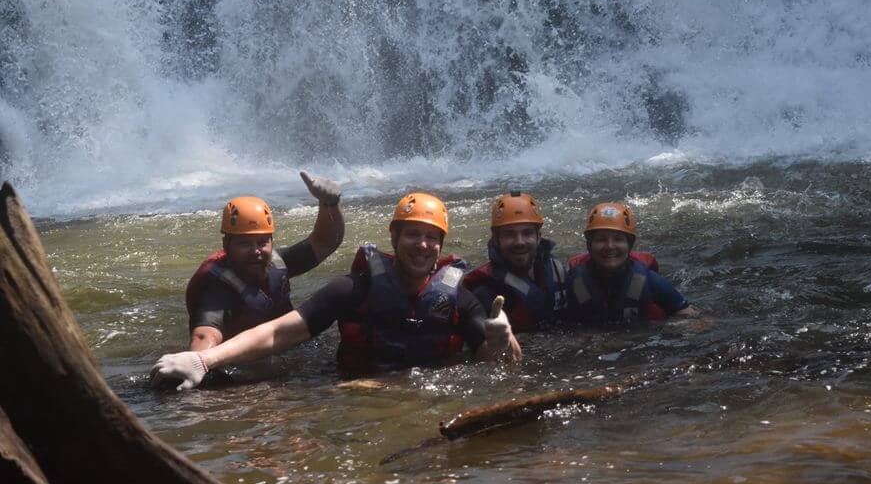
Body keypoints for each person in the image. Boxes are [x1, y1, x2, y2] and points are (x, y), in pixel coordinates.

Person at [151, 192, 521, 390]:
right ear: (394, 237)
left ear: (441, 245)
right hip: (354, 396)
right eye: (412, 234)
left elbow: (501, 366)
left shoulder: (461, 296)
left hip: (427, 400)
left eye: (431, 238)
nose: (422, 246)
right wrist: (203, 360)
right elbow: (282, 330)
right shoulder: (354, 288)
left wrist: (503, 343)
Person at [186, 172, 344, 351]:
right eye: (244, 243)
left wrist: (329, 204)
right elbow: (205, 333)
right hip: (246, 366)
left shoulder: (277, 264)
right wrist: (199, 360)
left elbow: (325, 242)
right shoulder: (216, 286)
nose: (255, 251)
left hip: (290, 349)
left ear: (271, 242)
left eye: (262, 242)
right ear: (226, 245)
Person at [565, 202, 696, 324]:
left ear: (629, 245)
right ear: (589, 245)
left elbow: (692, 318)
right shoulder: (574, 281)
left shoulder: (650, 280)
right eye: (601, 239)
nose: (610, 246)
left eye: (618, 239)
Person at [463, 191, 565, 331]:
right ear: (496, 239)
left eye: (527, 233)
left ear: (539, 237)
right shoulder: (485, 293)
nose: (519, 242)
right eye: (509, 234)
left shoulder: (557, 271)